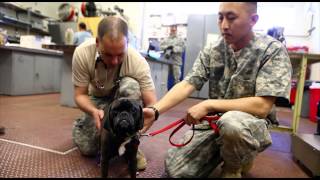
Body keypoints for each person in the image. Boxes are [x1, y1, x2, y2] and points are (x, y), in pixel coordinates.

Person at [142, 2, 292, 178]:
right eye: (220, 17)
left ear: (253, 20)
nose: (224, 25)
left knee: (232, 124)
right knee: (176, 171)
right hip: (213, 122)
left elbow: (262, 106)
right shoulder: (214, 49)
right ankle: (226, 150)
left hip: (249, 125)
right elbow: (188, 83)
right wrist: (155, 110)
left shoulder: (271, 50)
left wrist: (209, 104)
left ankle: (233, 166)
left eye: (231, 18)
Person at [71, 16, 157, 171]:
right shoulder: (82, 53)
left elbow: (151, 103)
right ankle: (81, 125)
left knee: (131, 85)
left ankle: (129, 144)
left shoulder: (137, 62)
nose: (115, 61)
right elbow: (80, 95)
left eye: (120, 55)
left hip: (123, 100)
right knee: (89, 149)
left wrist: (137, 129)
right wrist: (93, 111)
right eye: (108, 55)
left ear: (127, 44)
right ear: (97, 43)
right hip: (97, 100)